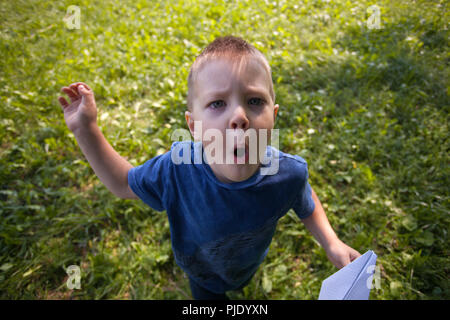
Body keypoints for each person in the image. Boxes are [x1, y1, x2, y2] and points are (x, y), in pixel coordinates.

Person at [58, 35, 361, 300]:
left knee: (240, 280)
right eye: (217, 104)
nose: (239, 116)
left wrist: (331, 242)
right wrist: (86, 129)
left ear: (274, 117)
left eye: (254, 101)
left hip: (248, 263)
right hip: (200, 271)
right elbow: (123, 184)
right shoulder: (177, 170)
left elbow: (304, 201)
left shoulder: (287, 174)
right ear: (194, 126)